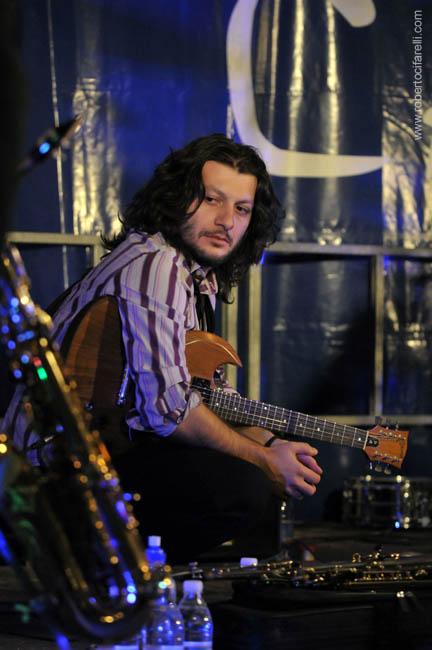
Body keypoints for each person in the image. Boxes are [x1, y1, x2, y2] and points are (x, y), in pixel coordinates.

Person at [2, 134, 322, 562]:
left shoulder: (194, 275)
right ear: (176, 198)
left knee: (265, 453)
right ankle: (108, 570)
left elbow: (203, 392)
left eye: (242, 209)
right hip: (51, 474)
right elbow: (168, 411)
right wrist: (263, 459)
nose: (227, 221)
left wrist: (268, 440)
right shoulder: (157, 265)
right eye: (211, 199)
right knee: (241, 486)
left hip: (108, 448)